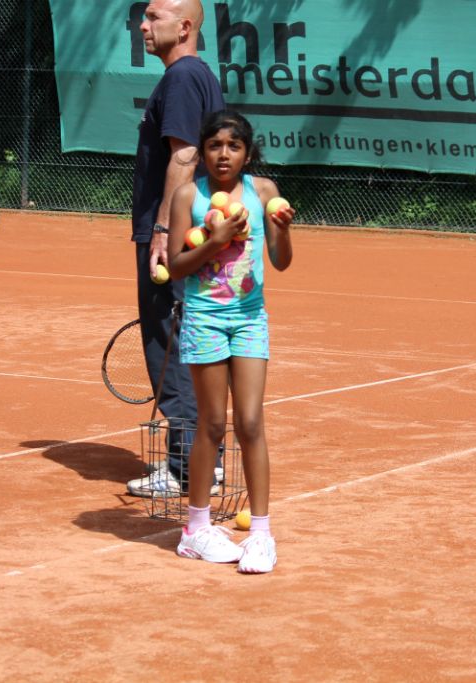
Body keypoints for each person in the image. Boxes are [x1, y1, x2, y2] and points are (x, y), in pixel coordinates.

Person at [167, 110, 296, 574]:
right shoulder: (188, 196)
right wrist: (214, 240)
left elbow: (281, 261)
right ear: (202, 151)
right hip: (204, 319)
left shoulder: (263, 193)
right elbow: (175, 266)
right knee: (211, 425)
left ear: (247, 152)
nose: (224, 154)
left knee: (250, 421)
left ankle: (261, 535)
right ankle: (196, 530)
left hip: (249, 320)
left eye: (234, 146)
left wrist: (282, 229)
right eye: (215, 145)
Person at [126, 0, 225, 497]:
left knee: (170, 342)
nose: (143, 25)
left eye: (154, 17)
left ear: (184, 27)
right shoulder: (199, 76)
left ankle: (186, 465)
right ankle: (207, 459)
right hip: (196, 230)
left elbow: (184, 155)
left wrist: (163, 229)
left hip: (174, 233)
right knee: (192, 340)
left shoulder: (183, 77)